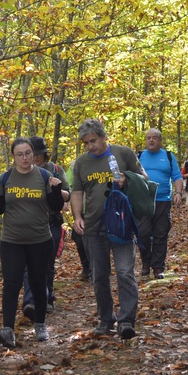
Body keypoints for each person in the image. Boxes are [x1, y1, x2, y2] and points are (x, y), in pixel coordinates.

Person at [70, 119, 145, 339]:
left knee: (124, 272)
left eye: (93, 140)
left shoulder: (123, 154)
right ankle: (106, 320)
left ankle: (126, 321)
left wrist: (127, 180)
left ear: (103, 137)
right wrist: (77, 217)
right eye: (85, 142)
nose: (90, 146)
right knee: (99, 276)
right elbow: (77, 192)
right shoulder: (81, 163)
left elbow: (145, 179)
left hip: (121, 225)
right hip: (94, 226)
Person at [0, 138, 64, 348]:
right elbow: (0, 208)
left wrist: (56, 190)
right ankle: (8, 330)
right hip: (12, 240)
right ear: (13, 156)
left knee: (39, 283)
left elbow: (56, 207)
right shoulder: (5, 179)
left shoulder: (44, 176)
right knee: (12, 283)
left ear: (33, 155)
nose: (24, 158)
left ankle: (40, 324)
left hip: (40, 240)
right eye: (20, 154)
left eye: (28, 153)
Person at [22, 136, 70, 318]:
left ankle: (47, 298)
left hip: (52, 222)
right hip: (29, 224)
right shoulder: (21, 172)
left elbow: (68, 194)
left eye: (39, 154)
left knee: (47, 264)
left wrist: (55, 189)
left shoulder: (56, 170)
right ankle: (30, 302)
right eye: (32, 154)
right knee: (29, 264)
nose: (35, 158)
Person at [137, 129, 183, 278]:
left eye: (154, 138)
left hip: (163, 201)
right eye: (148, 138)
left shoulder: (168, 157)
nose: (151, 140)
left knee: (160, 234)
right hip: (143, 201)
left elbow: (177, 176)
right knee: (142, 233)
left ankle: (158, 267)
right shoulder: (139, 157)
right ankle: (146, 260)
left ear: (160, 140)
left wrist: (178, 193)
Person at [68, 159, 92, 281]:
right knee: (79, 239)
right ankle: (86, 266)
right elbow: (68, 185)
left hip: (96, 209)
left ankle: (95, 268)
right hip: (80, 209)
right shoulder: (75, 164)